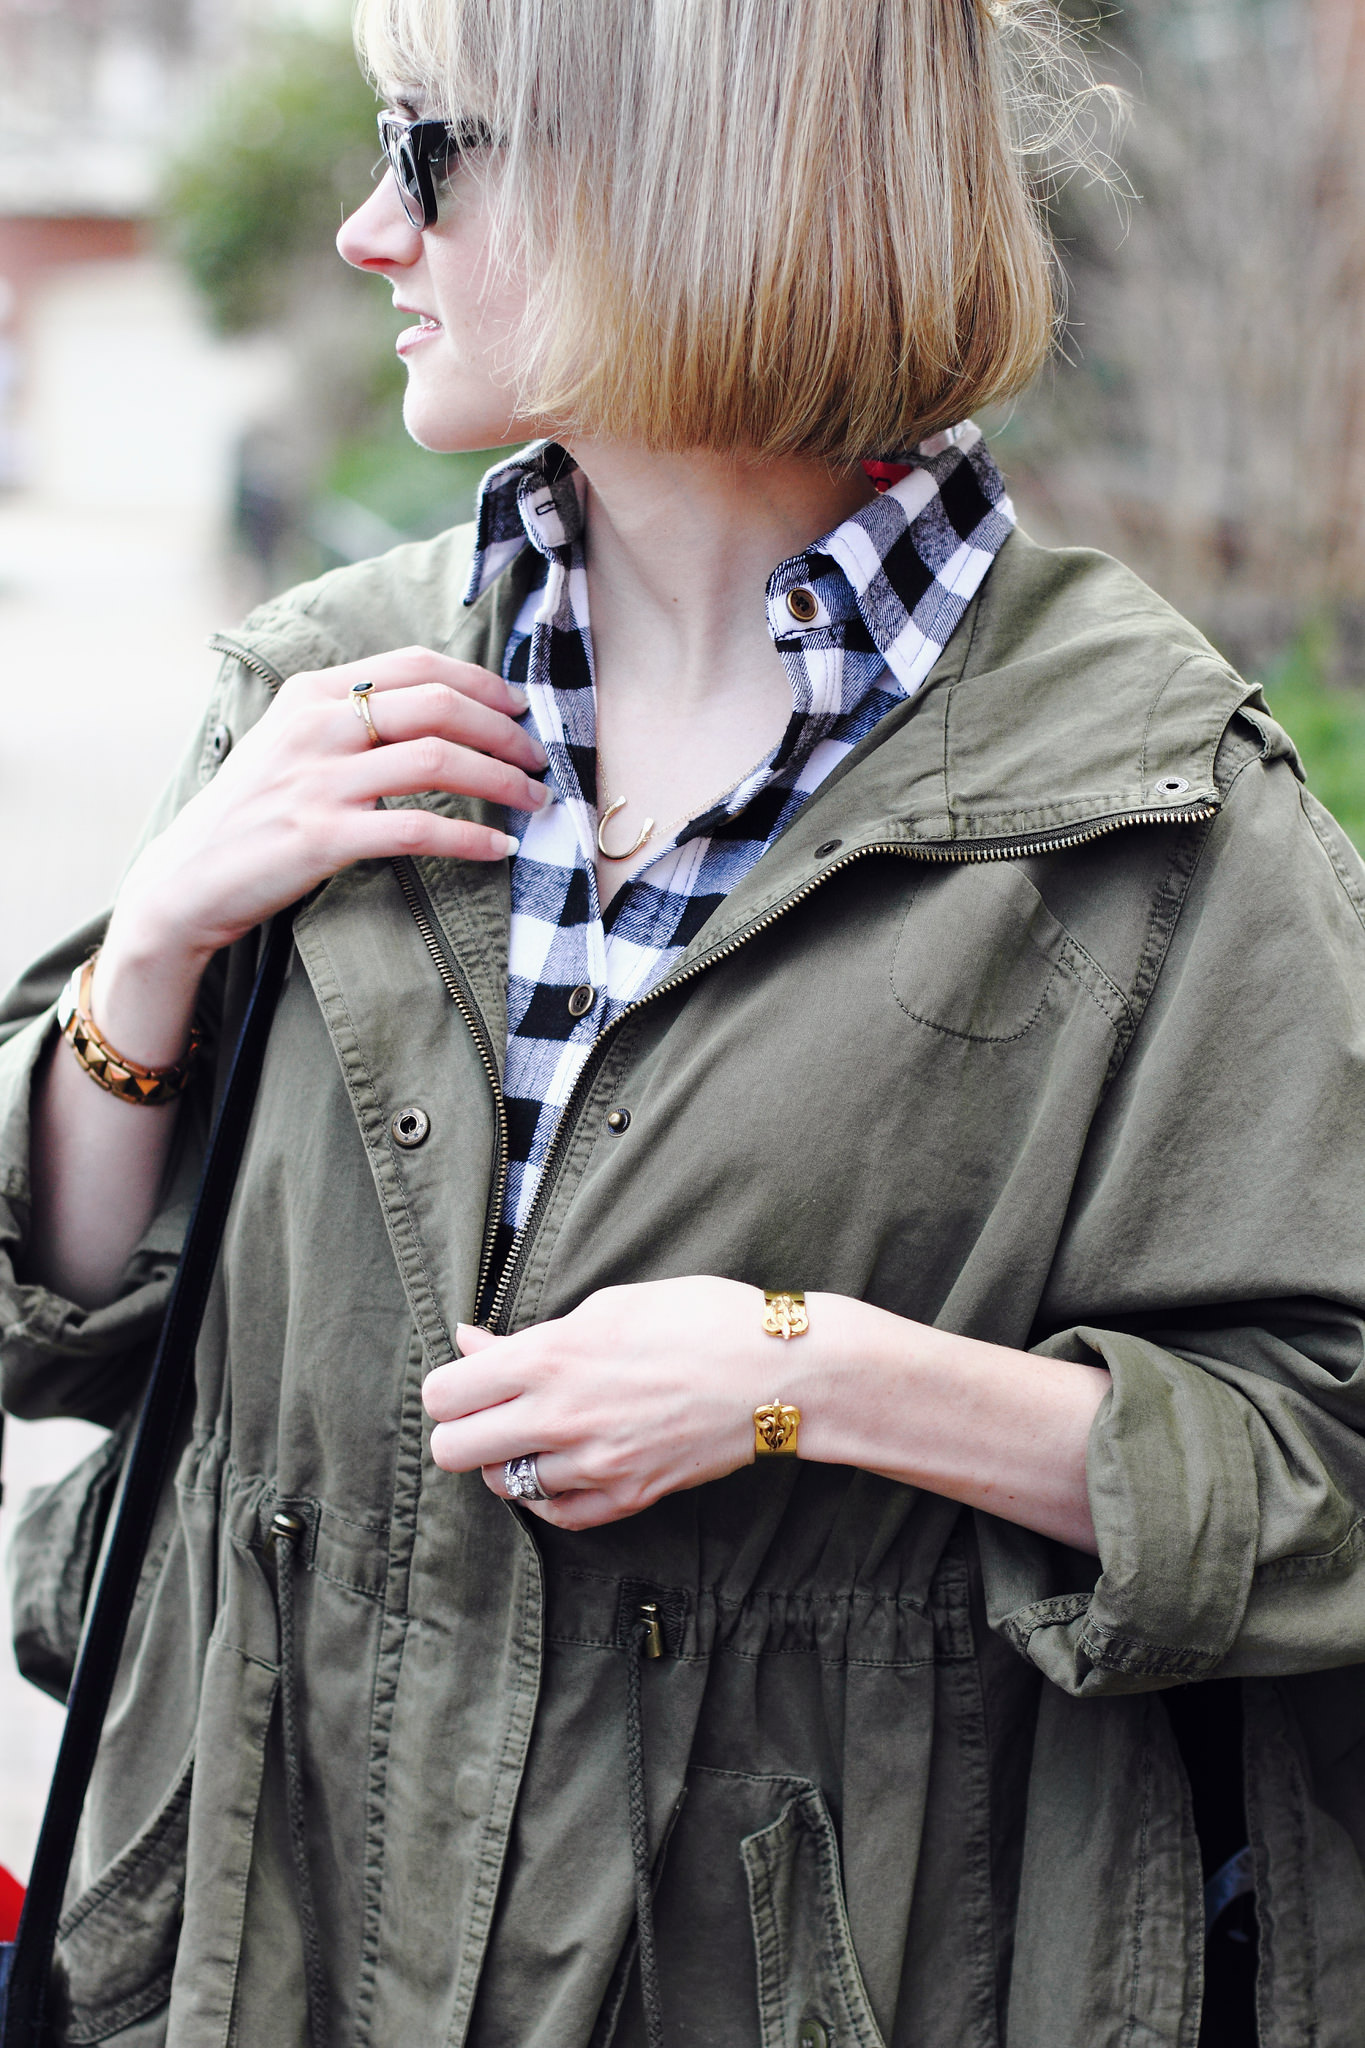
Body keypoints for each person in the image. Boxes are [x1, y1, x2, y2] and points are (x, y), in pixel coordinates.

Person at [3, 0, 1365, 2041]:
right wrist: (157, 952)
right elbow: (79, 1317)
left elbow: (1321, 1455)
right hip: (251, 1946)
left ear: (683, 185)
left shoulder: (1151, 802)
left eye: (434, 152)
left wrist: (808, 1375)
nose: (373, 231)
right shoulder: (325, 692)